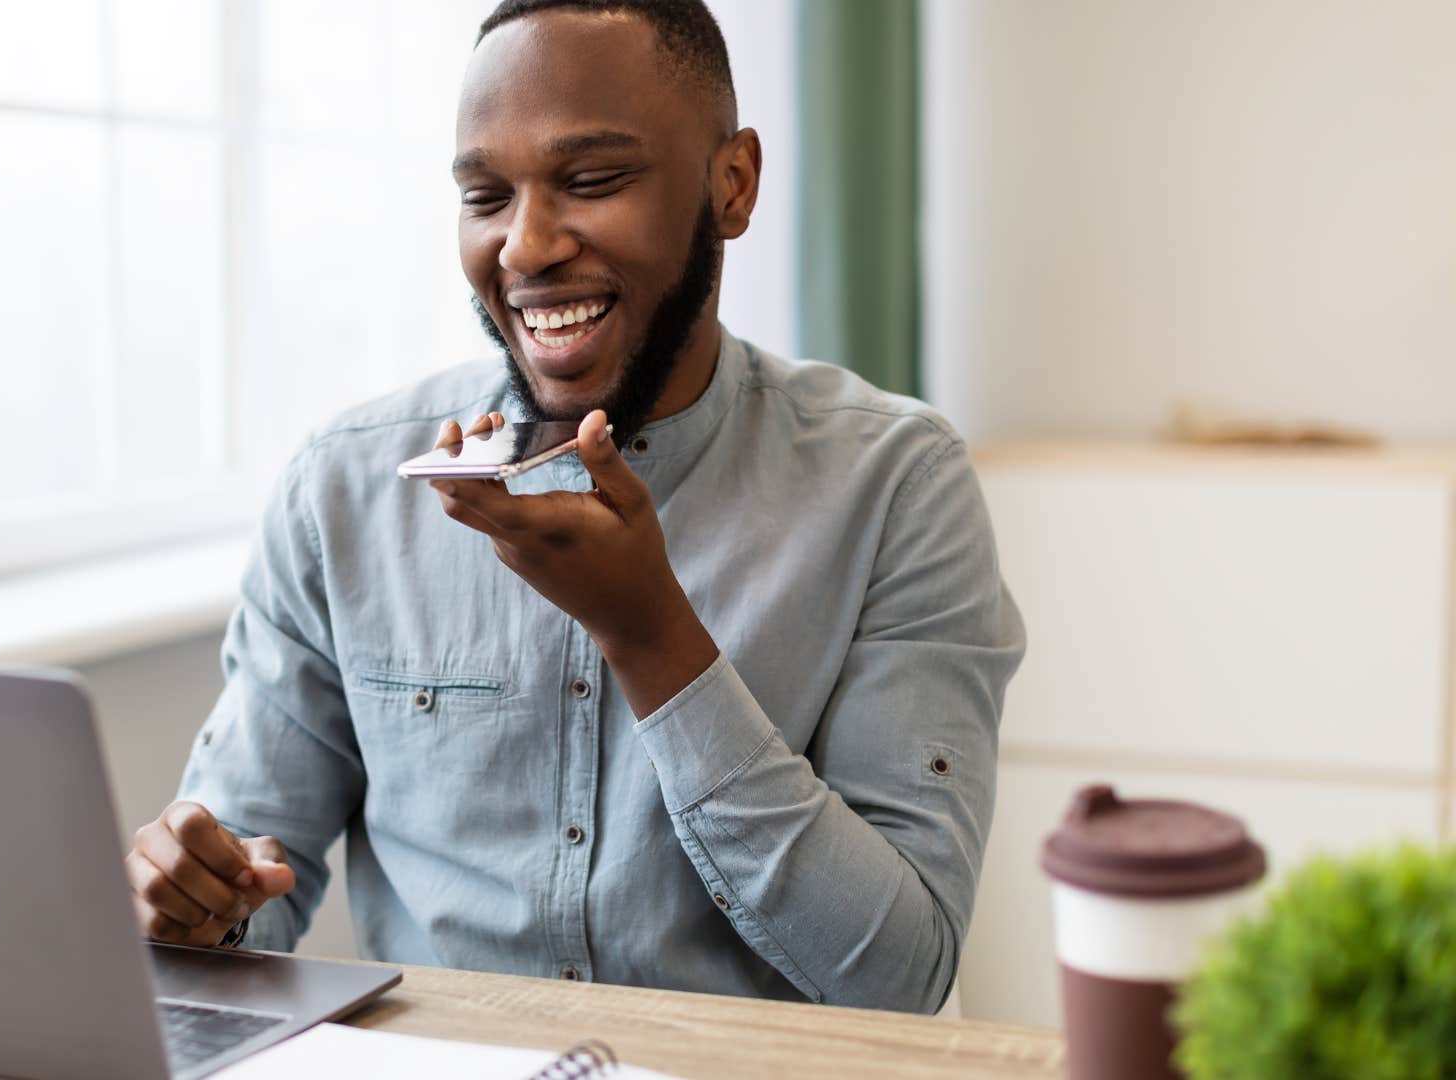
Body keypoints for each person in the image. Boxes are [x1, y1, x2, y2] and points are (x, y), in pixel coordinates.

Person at [124, 0, 1024, 1013]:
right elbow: (245, 890)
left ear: (731, 185)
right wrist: (199, 906)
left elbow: (898, 975)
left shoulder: (896, 487)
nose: (525, 247)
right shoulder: (344, 490)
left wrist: (651, 638)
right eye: (485, 195)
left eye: (592, 181)